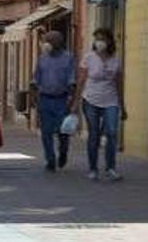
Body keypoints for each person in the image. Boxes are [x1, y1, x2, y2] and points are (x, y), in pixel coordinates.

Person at [73, 28, 126, 181]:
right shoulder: (89, 58)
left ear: (110, 41)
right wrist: (76, 103)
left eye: (102, 39)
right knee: (94, 134)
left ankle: (110, 168)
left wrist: (122, 106)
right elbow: (81, 81)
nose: (99, 42)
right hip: (91, 100)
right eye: (97, 39)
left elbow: (119, 84)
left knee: (111, 132)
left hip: (111, 101)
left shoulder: (115, 60)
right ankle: (93, 168)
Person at [31, 30, 76, 172]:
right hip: (45, 98)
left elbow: (72, 80)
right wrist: (33, 98)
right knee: (46, 132)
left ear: (59, 42)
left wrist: (71, 99)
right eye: (45, 40)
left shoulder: (68, 58)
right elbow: (35, 79)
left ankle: (63, 153)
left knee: (63, 132)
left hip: (61, 99)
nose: (46, 43)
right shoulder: (42, 58)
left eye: (50, 41)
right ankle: (50, 159)